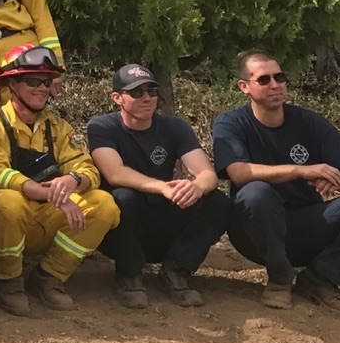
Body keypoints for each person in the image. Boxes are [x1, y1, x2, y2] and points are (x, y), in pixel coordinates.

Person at [213, 51, 340, 317]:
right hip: (254, 232)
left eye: (279, 77)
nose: (275, 84)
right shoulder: (231, 123)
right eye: (264, 80)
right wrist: (300, 170)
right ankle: (279, 278)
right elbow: (239, 173)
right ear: (245, 87)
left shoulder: (310, 123)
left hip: (306, 225)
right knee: (255, 192)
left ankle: (321, 279)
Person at [0, 44, 119, 315]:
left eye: (47, 82)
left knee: (104, 204)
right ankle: (8, 279)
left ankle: (49, 277)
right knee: (9, 201)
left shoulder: (59, 128)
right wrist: (53, 196)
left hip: (46, 217)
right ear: (11, 84)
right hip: (3, 222)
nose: (41, 88)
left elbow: (88, 168)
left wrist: (74, 180)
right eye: (32, 81)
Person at [86, 63, 231, 309]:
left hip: (162, 220)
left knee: (219, 202)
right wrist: (162, 187)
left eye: (151, 91)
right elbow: (114, 173)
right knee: (122, 197)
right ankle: (129, 274)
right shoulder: (101, 127)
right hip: (122, 229)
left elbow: (207, 173)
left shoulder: (174, 127)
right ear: (117, 98)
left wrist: (197, 186)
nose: (146, 98)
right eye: (137, 92)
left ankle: (177, 270)